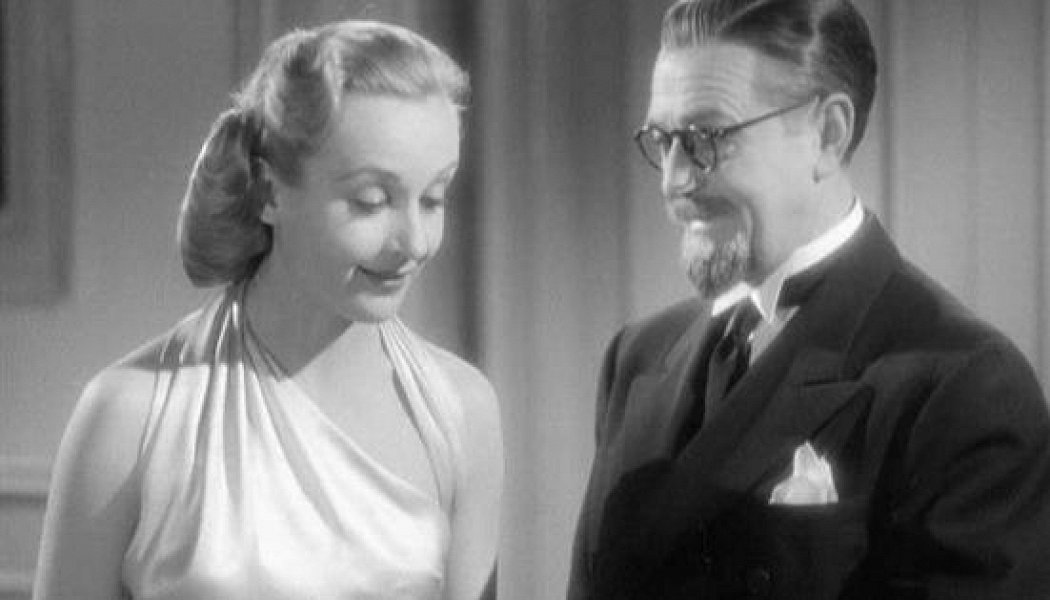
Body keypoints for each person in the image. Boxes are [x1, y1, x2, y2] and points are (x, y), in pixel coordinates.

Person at [568, 1, 1050, 598]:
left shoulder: (963, 387)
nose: (673, 180)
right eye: (663, 140)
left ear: (828, 134)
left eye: (705, 138)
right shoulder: (636, 359)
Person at [34, 20, 502, 600]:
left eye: (433, 198)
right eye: (371, 201)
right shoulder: (128, 416)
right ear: (270, 190)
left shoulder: (462, 412)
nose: (415, 241)